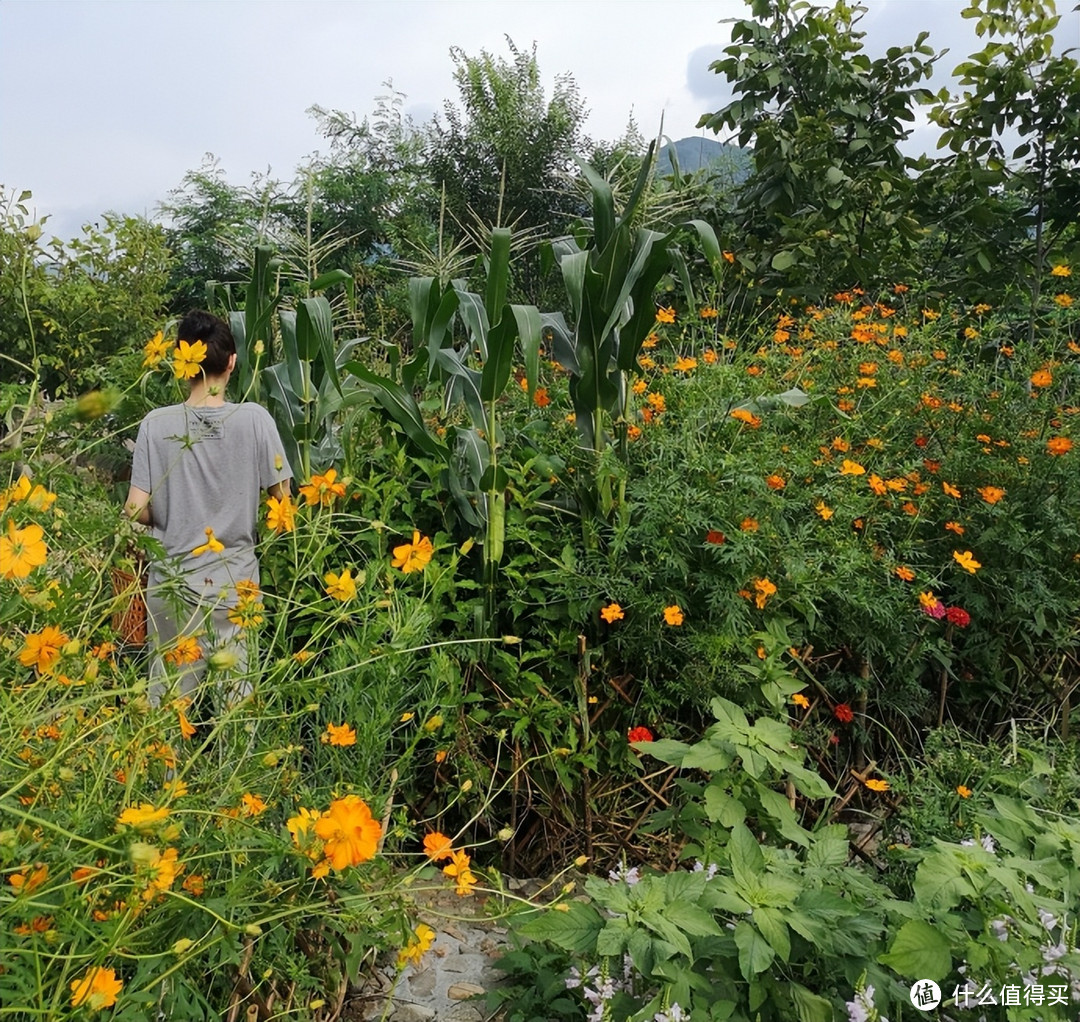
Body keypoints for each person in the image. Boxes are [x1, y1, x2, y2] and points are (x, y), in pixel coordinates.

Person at [124, 310, 292, 706]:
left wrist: (168, 508)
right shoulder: (255, 420)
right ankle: (239, 768)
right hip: (236, 584)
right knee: (238, 705)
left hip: (172, 583)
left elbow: (134, 510)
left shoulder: (156, 424)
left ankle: (165, 769)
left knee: (167, 705)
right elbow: (282, 499)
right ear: (233, 362)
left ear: (183, 364)